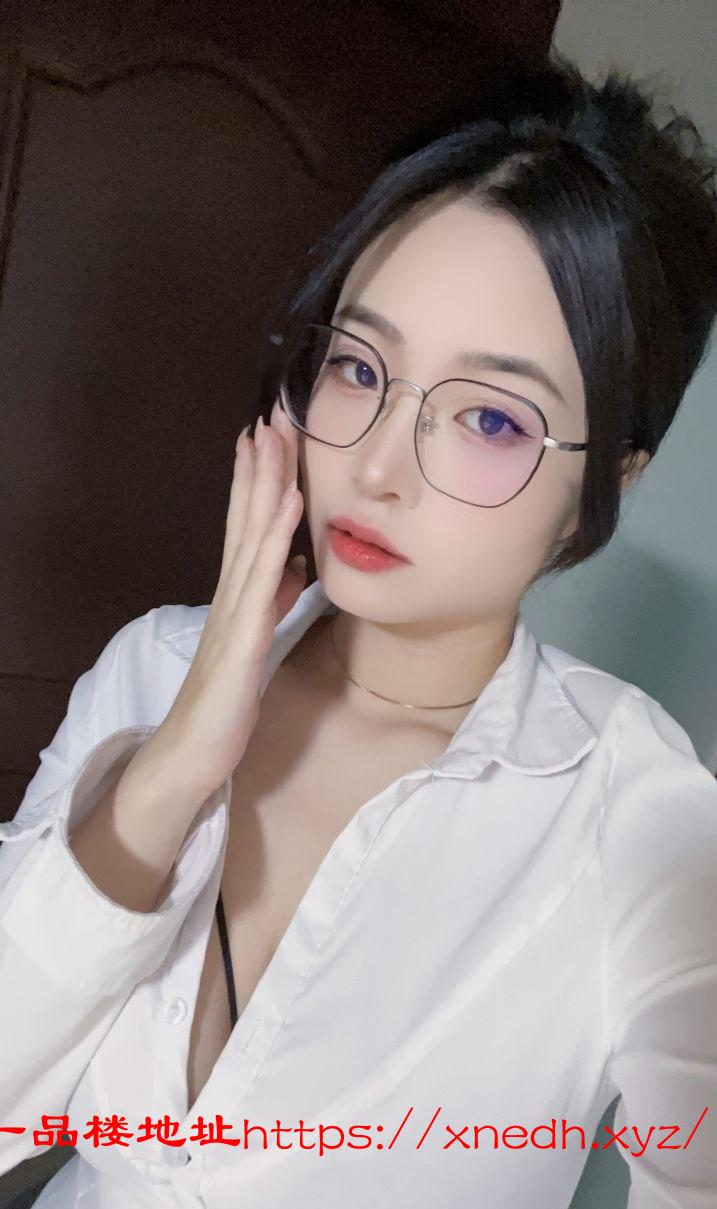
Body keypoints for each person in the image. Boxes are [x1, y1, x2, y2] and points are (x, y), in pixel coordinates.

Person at [1, 50, 716, 1209]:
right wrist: (170, 772)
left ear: (611, 480)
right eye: (358, 366)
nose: (378, 466)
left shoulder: (634, 815)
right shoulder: (157, 670)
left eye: (492, 419)